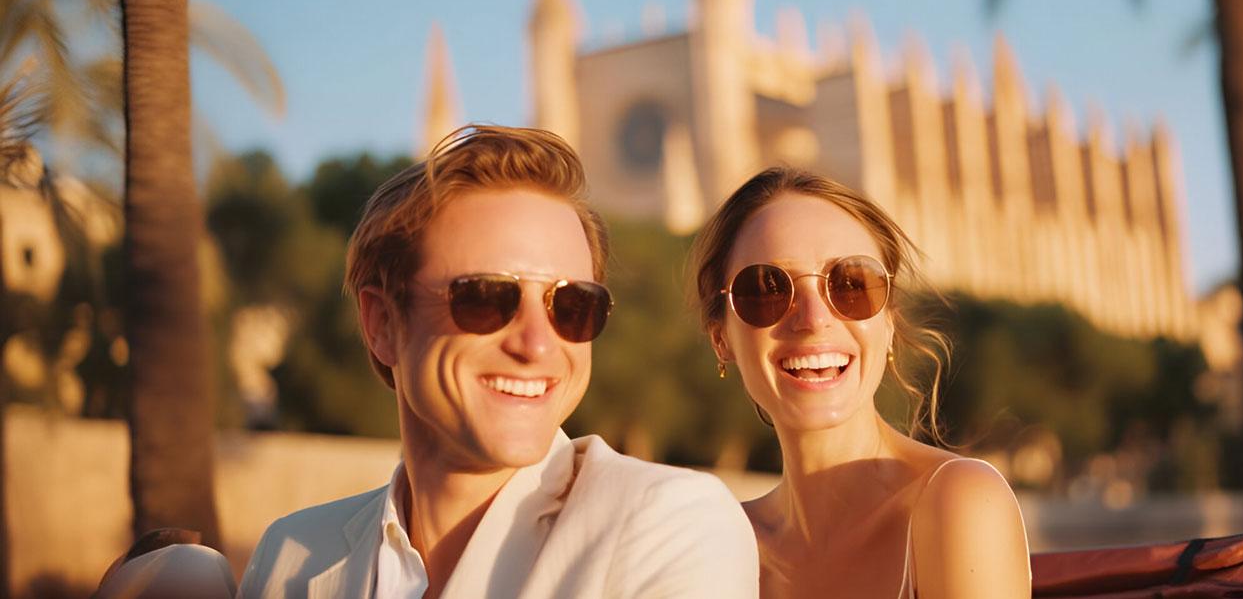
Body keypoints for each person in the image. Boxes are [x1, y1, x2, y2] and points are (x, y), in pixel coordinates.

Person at [239, 125, 758, 599]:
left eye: (573, 306)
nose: (536, 344)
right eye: (486, 297)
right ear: (382, 324)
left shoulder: (670, 524)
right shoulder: (290, 558)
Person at [690, 167, 1031, 599]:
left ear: (888, 323)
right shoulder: (715, 546)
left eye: (852, 284)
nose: (814, 320)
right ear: (722, 339)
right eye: (766, 289)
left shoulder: (958, 502)